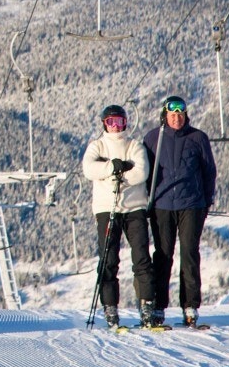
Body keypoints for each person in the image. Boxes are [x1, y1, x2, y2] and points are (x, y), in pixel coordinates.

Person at [144, 94, 217, 327]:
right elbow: (145, 172)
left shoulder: (198, 138)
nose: (177, 118)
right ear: (164, 116)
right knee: (163, 255)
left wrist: (206, 201)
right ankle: (158, 307)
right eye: (172, 114)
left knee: (189, 254)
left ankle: (190, 306)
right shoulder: (153, 138)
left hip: (191, 205)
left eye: (180, 114)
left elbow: (209, 172)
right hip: (162, 205)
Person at [82, 103, 155, 328]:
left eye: (119, 122)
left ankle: (146, 304)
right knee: (108, 259)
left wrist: (113, 176)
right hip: (107, 208)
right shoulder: (97, 145)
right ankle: (110, 307)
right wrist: (114, 168)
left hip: (134, 208)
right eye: (111, 122)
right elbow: (89, 169)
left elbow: (142, 172)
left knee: (141, 258)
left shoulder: (134, 145)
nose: (115, 126)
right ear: (104, 124)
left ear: (126, 123)